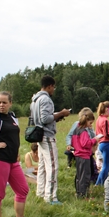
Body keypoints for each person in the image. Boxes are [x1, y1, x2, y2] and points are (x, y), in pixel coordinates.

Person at [31, 75, 70, 205]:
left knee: (42, 165)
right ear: (49, 86)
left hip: (39, 136)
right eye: (53, 87)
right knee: (53, 167)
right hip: (47, 136)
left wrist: (56, 116)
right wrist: (61, 114)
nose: (54, 89)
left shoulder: (35, 100)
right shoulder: (46, 99)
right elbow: (45, 119)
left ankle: (41, 192)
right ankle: (51, 197)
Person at [71, 109, 101, 198]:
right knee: (85, 176)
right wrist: (94, 140)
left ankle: (78, 191)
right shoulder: (83, 131)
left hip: (78, 155)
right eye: (90, 123)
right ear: (87, 120)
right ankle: (83, 194)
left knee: (79, 175)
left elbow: (73, 142)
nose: (90, 125)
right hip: (84, 156)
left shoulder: (76, 129)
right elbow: (85, 144)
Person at [65, 108, 98, 183]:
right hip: (82, 152)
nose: (91, 124)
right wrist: (69, 144)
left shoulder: (89, 127)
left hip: (89, 151)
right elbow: (70, 135)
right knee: (83, 171)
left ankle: (88, 183)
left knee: (90, 169)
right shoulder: (78, 125)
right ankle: (83, 187)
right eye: (90, 122)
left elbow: (92, 136)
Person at [95, 101, 109, 185]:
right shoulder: (105, 120)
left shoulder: (99, 119)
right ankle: (99, 183)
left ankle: (100, 182)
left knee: (105, 165)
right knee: (107, 165)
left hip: (101, 144)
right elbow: (107, 134)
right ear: (107, 109)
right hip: (107, 143)